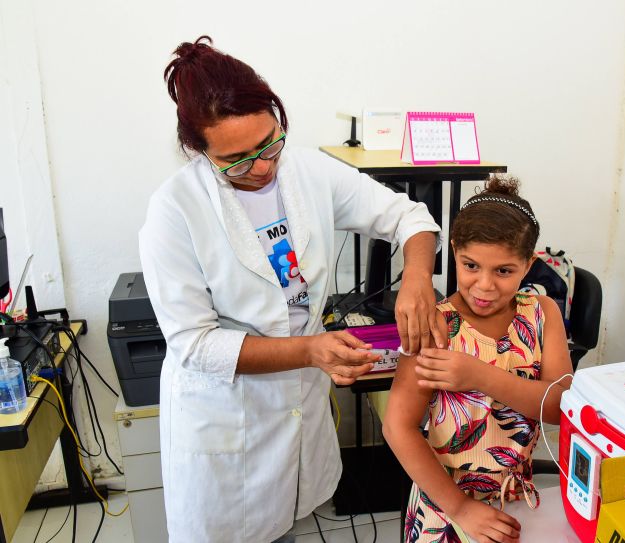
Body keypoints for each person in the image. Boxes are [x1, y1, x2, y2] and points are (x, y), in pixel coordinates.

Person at [139, 36, 446, 543]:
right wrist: (310, 349)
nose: (261, 167)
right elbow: (194, 344)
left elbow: (409, 216)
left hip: (297, 403)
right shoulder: (174, 212)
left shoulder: (307, 171)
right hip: (225, 413)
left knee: (289, 524)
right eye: (236, 160)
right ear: (199, 152)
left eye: (269, 144)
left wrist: (417, 280)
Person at [383, 176, 573, 543]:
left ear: (528, 264)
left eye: (503, 271)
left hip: (516, 502)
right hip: (445, 506)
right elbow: (398, 427)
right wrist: (461, 508)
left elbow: (559, 407)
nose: (485, 286)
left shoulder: (543, 313)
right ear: (453, 252)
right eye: (471, 266)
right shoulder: (435, 324)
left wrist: (479, 375)